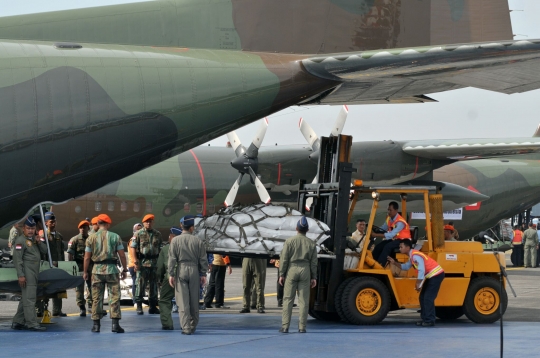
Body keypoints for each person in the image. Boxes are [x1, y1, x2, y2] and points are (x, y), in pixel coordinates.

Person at [83, 214, 127, 333]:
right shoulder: (115, 237)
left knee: (96, 298)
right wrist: (125, 269)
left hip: (96, 270)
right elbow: (122, 255)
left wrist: (85, 271)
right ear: (108, 224)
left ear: (97, 224)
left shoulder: (90, 238)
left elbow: (87, 257)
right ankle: (115, 325)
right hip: (112, 269)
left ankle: (96, 325)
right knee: (114, 297)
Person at [387, 239, 445, 327]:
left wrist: (418, 283)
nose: (399, 249)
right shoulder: (412, 256)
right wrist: (394, 263)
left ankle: (430, 320)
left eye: (401, 247)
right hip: (431, 275)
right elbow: (405, 267)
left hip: (436, 275)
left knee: (428, 298)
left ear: (407, 247)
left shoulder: (415, 256)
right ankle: (425, 319)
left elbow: (421, 269)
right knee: (422, 297)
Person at [168, 215, 207, 335]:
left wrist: (171, 274)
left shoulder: (175, 241)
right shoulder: (198, 241)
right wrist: (203, 273)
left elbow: (172, 259)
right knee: (194, 299)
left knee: (182, 300)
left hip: (181, 269)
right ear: (191, 228)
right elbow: (203, 259)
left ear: (182, 226)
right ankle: (193, 325)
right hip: (194, 269)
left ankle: (186, 328)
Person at [278, 217, 317, 333]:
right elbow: (314, 262)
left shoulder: (289, 241)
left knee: (288, 299)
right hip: (305, 270)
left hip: (292, 269)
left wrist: (282, 274)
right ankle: (302, 327)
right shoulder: (311, 243)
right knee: (304, 301)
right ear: (307, 229)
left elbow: (284, 259)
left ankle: (285, 327)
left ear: (296, 228)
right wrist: (314, 276)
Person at [11, 216, 48, 331]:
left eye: (33, 228)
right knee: (30, 299)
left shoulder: (35, 240)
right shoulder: (20, 241)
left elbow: (45, 251)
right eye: (28, 228)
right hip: (27, 274)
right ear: (23, 229)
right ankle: (32, 323)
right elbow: (18, 260)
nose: (31, 230)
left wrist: (39, 241)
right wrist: (21, 275)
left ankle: (18, 321)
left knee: (26, 298)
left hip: (33, 273)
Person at [130, 214, 163, 315]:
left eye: (150, 221)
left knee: (153, 286)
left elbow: (160, 248)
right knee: (140, 285)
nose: (148, 223)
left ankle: (152, 306)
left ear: (153, 222)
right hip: (142, 263)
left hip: (154, 263)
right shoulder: (138, 234)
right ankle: (139, 305)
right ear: (143, 223)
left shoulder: (158, 234)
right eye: (146, 222)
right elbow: (133, 248)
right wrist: (135, 261)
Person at [157, 227, 182, 330]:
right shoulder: (186, 247)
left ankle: (167, 324)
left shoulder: (166, 248)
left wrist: (158, 278)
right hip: (185, 275)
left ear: (172, 237)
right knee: (185, 300)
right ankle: (187, 324)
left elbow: (160, 267)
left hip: (170, 277)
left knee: (164, 300)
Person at [372, 202, 411, 266]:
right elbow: (383, 228)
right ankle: (373, 262)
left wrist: (376, 235)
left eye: (390, 210)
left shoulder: (400, 222)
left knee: (388, 246)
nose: (389, 212)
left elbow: (391, 235)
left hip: (404, 241)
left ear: (396, 210)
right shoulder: (389, 218)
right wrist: (375, 230)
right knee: (379, 246)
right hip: (395, 239)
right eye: (388, 210)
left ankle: (380, 265)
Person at [43, 211, 67, 317]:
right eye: (51, 222)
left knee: (59, 288)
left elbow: (61, 251)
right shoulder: (43, 236)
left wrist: (63, 264)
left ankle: (57, 310)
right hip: (48, 266)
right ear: (46, 223)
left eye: (55, 221)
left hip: (59, 266)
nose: (54, 224)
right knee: (46, 289)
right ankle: (42, 310)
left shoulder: (59, 236)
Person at [67, 220, 93, 317]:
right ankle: (82, 307)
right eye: (81, 228)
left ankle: (91, 304)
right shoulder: (75, 239)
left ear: (88, 228)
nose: (82, 229)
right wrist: (70, 266)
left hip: (90, 265)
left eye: (84, 227)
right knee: (79, 288)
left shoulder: (91, 239)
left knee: (91, 286)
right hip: (79, 266)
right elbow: (70, 253)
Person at [127, 223, 142, 304]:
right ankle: (135, 301)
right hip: (134, 265)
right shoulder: (133, 240)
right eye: (138, 229)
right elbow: (133, 253)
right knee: (136, 283)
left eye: (140, 229)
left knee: (138, 282)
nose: (140, 230)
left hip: (137, 264)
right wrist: (136, 264)